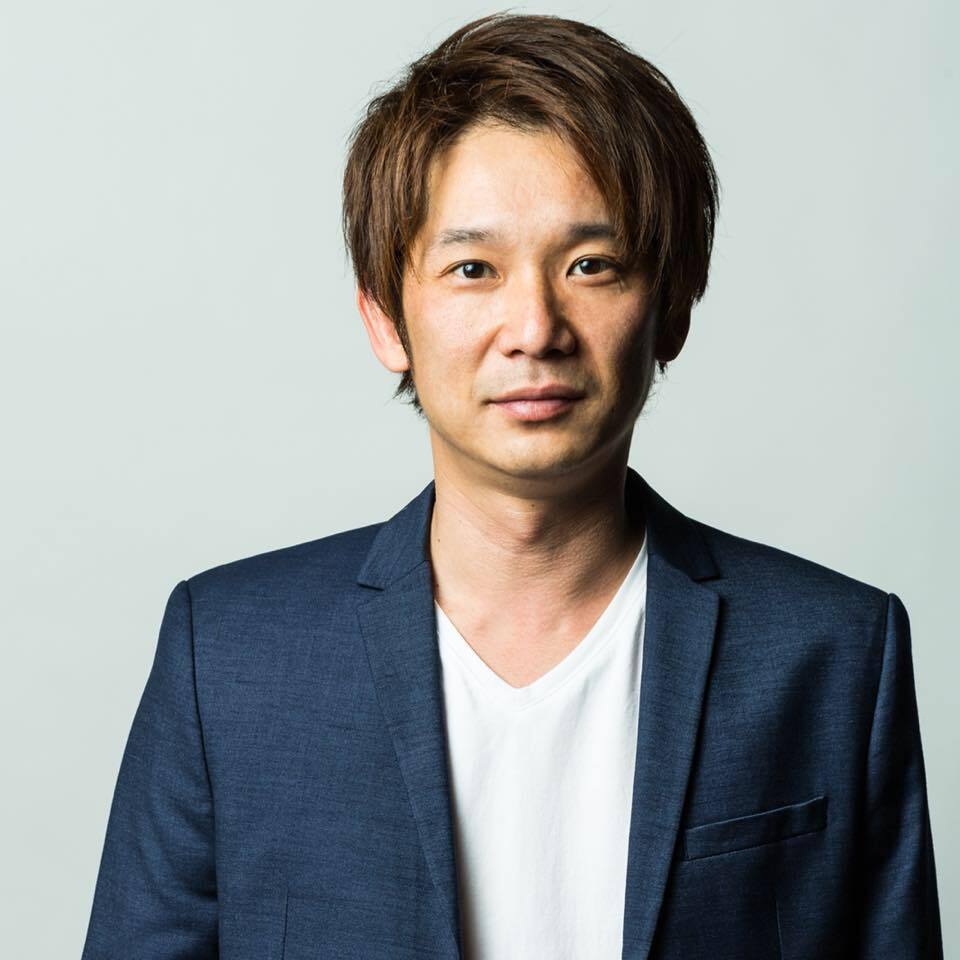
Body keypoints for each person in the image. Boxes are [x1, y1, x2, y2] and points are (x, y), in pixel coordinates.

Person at [81, 12, 943, 959]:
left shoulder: (834, 653)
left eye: (591, 265)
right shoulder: (229, 657)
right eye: (473, 268)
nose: (535, 327)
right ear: (385, 318)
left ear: (673, 305)